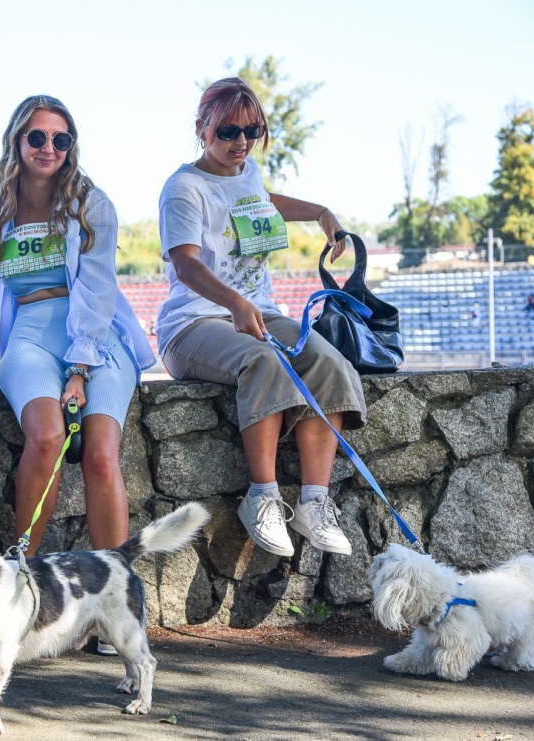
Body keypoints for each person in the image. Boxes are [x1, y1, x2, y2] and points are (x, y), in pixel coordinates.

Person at [156, 77, 367, 558]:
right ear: (201, 129)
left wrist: (321, 213)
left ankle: (315, 502)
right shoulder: (184, 187)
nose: (241, 141)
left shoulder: (246, 172)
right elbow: (186, 263)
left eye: (252, 130)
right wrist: (234, 302)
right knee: (266, 363)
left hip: (259, 312)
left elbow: (263, 203)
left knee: (327, 363)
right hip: (193, 324)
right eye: (228, 130)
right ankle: (262, 498)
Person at [0, 95, 156, 565]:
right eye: (36, 137)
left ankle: (114, 597)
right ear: (16, 141)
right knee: (45, 438)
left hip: (98, 337)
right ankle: (21, 578)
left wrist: (80, 367)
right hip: (30, 337)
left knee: (101, 454)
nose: (49, 147)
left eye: (61, 139)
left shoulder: (91, 204)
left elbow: (98, 289)